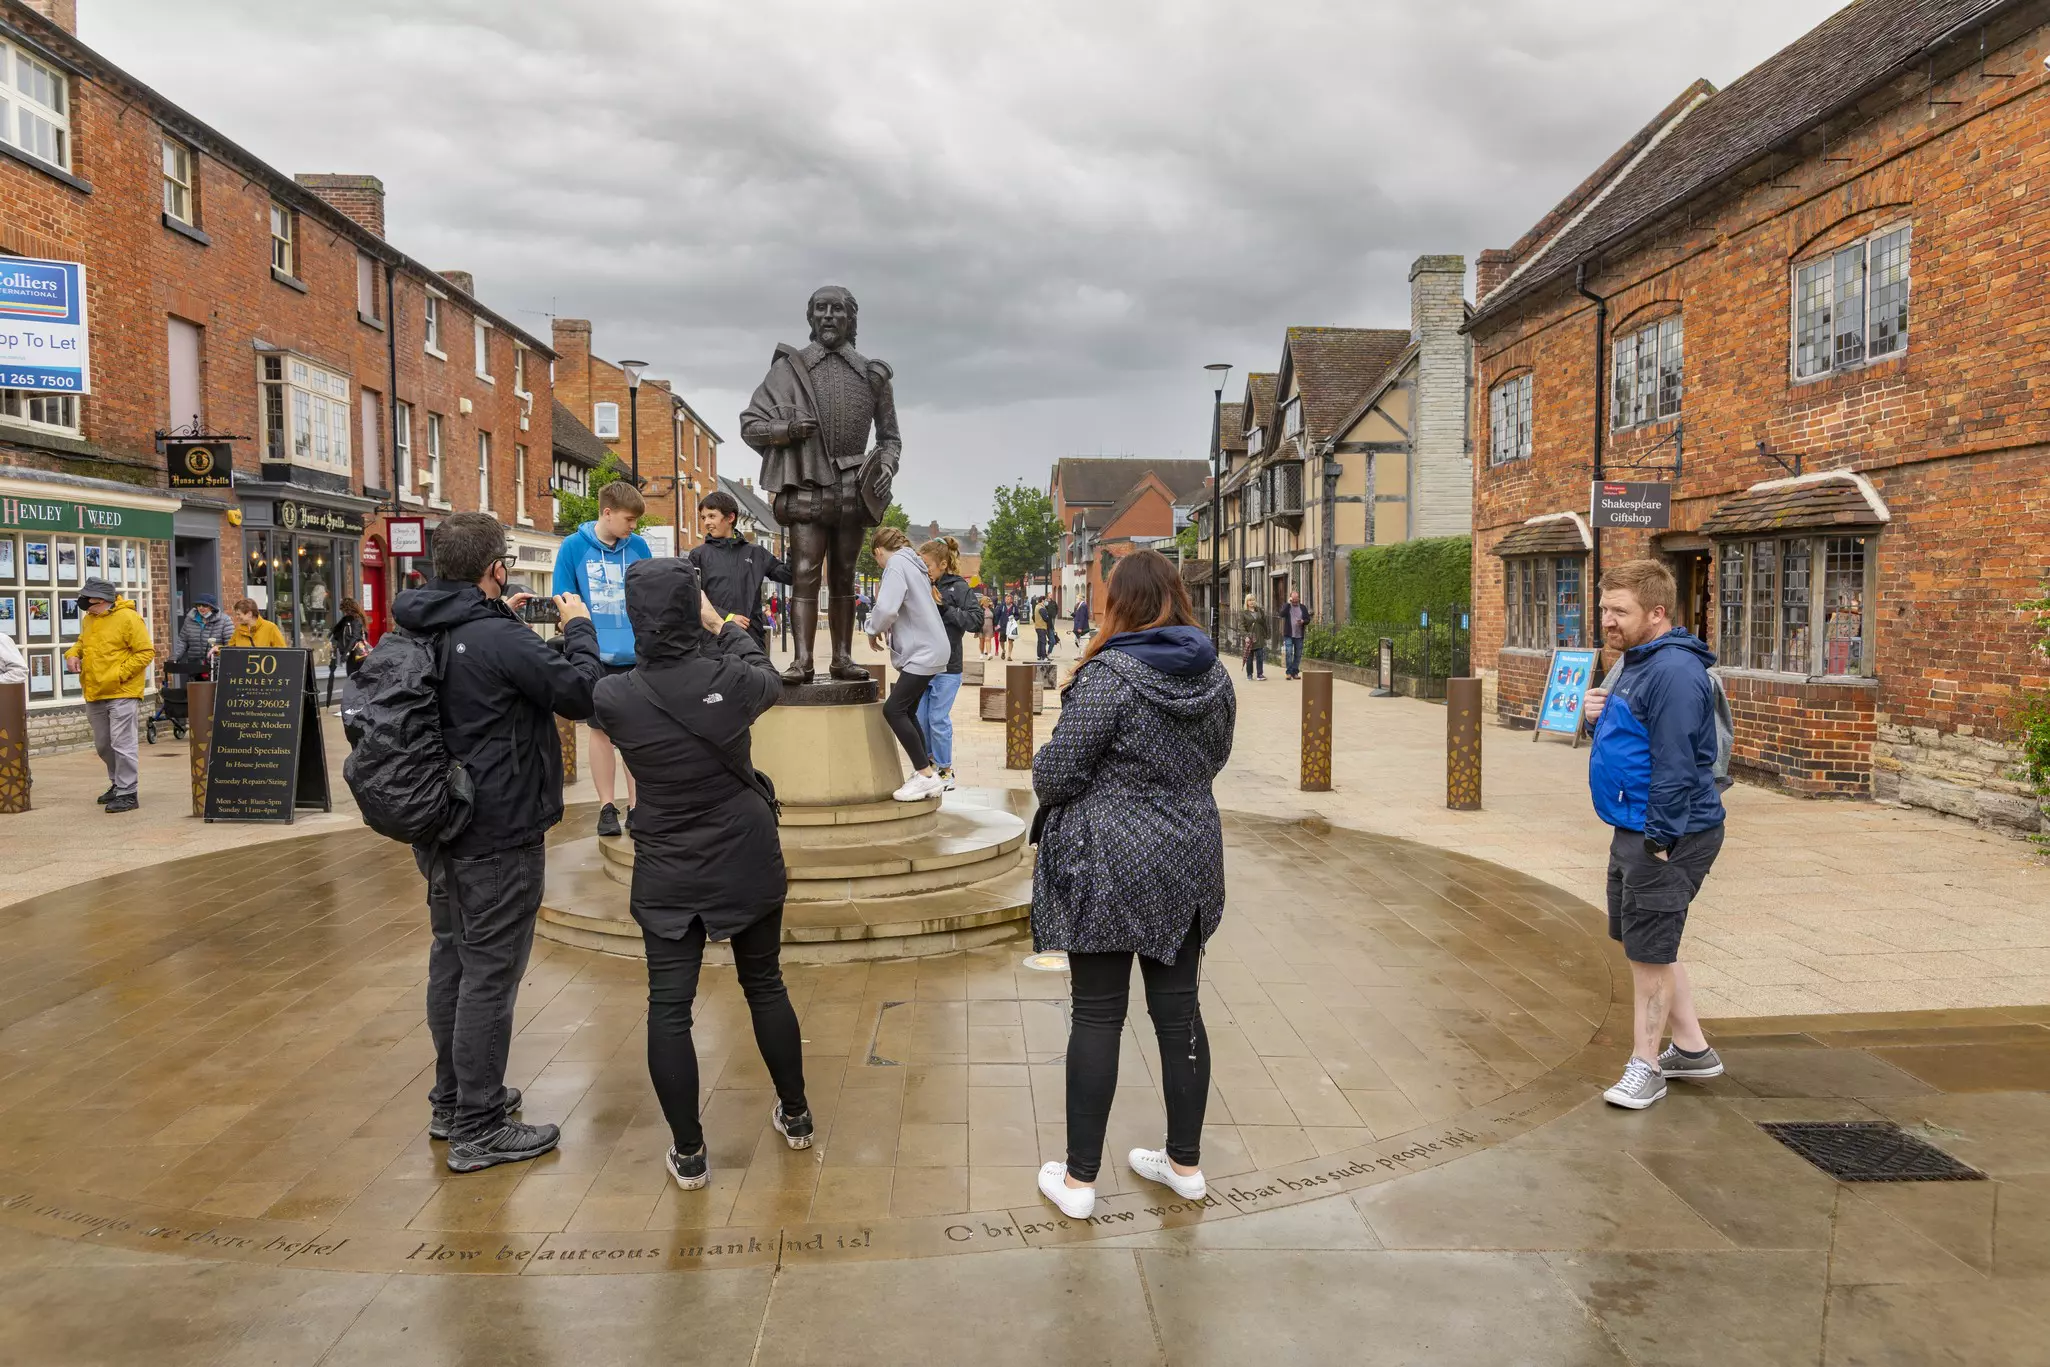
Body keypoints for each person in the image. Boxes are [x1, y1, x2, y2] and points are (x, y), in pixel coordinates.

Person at [591, 558, 812, 1191]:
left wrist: (580, 629)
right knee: (764, 984)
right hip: (743, 848)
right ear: (693, 613)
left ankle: (689, 1153)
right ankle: (796, 1116)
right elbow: (771, 675)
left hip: (667, 860)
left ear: (635, 621)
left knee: (669, 1008)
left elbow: (580, 679)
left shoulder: (616, 697)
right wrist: (721, 627)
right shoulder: (731, 679)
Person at [392, 512, 604, 1172]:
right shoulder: (492, 636)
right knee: (491, 972)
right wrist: (579, 629)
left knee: (452, 958)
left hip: (439, 823)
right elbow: (581, 692)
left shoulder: (425, 622)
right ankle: (480, 1126)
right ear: (497, 567)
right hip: (497, 826)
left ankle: (452, 1100)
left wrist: (501, 619)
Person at [1031, 549, 1235, 1218]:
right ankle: (1184, 1164)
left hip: (1110, 859)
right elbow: (1218, 756)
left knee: (1097, 1012)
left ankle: (1081, 1181)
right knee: (1178, 1011)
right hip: (1187, 852)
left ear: (1122, 603)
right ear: (1175, 597)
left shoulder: (1111, 675)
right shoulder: (1215, 675)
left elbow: (1056, 774)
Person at [1582, 559, 1729, 1111]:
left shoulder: (1671, 671)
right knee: (1649, 946)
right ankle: (1692, 1049)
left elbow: (1675, 762)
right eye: (1604, 608)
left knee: (1648, 952)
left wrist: (1660, 839)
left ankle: (1646, 1066)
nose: (1608, 621)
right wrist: (1598, 716)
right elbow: (1636, 740)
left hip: (1665, 833)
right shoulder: (1639, 663)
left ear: (1657, 612)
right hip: (1638, 826)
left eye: (1620, 611)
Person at [553, 480, 651, 838]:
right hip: (597, 657)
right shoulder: (573, 547)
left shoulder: (638, 547)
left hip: (638, 656)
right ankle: (606, 806)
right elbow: (564, 600)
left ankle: (638, 807)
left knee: (637, 734)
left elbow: (652, 596)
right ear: (607, 513)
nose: (633, 527)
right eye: (628, 519)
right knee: (600, 732)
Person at [865, 524, 949, 801]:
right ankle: (927, 773)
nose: (879, 565)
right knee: (908, 711)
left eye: (877, 560)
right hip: (932, 647)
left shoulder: (896, 565)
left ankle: (925, 775)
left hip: (923, 651)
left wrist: (871, 627)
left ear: (879, 551)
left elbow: (887, 607)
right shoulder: (914, 563)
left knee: (893, 709)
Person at [65, 576, 154, 814]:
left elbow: (145, 652)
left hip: (122, 690)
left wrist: (117, 675)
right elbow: (82, 644)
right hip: (95, 690)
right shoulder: (90, 619)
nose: (83, 602)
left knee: (122, 743)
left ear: (101, 599)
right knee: (104, 744)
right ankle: (117, 783)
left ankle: (128, 792)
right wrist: (72, 654)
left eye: (87, 598)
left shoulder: (129, 618)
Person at [689, 489, 793, 651]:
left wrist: (795, 541)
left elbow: (789, 575)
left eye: (712, 516)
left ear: (730, 517)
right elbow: (694, 598)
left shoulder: (756, 553)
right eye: (703, 517)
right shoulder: (698, 555)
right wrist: (727, 618)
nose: (706, 522)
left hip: (751, 641)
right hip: (713, 644)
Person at [919, 537, 981, 791]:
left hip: (947, 667)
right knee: (919, 718)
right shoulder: (920, 584)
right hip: (920, 665)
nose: (924, 571)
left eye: (928, 566)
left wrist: (945, 609)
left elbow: (976, 620)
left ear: (943, 564)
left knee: (937, 718)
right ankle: (928, 768)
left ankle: (946, 771)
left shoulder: (958, 588)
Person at [172, 594, 232, 680]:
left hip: (216, 666)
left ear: (212, 607)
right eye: (198, 605)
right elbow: (183, 641)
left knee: (213, 692)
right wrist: (175, 657)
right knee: (196, 691)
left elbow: (230, 644)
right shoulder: (189, 619)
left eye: (205, 605)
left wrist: (218, 651)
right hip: (195, 666)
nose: (201, 608)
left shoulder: (225, 620)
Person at [327, 597, 370, 706]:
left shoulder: (356, 620)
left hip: (357, 655)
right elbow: (337, 632)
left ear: (350, 609)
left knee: (355, 680)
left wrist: (346, 653)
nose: (344, 613)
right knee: (352, 679)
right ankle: (355, 704)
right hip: (351, 655)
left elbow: (355, 637)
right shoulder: (346, 620)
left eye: (345, 610)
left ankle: (358, 704)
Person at [1278, 590, 1310, 680]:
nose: (1295, 602)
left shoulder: (1303, 607)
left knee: (1298, 654)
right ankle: (1288, 672)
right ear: (1291, 599)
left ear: (1299, 598)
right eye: (1293, 600)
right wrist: (1288, 604)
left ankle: (1295, 672)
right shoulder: (1287, 607)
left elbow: (1308, 619)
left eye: (1297, 600)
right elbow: (1281, 614)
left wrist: (1303, 621)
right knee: (1288, 653)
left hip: (1299, 635)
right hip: (1289, 634)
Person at [1238, 594, 1268, 681]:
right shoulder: (1244, 613)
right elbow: (1241, 626)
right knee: (1249, 657)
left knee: (1260, 656)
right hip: (1250, 638)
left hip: (1259, 637)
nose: (1251, 602)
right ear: (1246, 602)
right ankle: (1249, 674)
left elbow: (1264, 623)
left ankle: (1260, 674)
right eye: (1249, 600)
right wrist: (1246, 636)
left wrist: (1266, 634)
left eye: (1253, 600)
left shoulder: (1259, 611)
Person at [1034, 593, 1058, 660]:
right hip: (1042, 627)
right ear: (1042, 600)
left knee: (1040, 641)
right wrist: (1048, 617)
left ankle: (1040, 655)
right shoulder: (1041, 608)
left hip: (1038, 626)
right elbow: (1046, 618)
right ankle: (1044, 656)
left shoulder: (1037, 606)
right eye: (1045, 601)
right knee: (1043, 642)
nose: (1046, 602)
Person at [978, 594, 995, 659]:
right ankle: (981, 653)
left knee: (988, 639)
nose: (988, 602)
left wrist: (995, 625)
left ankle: (989, 654)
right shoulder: (980, 609)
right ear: (983, 602)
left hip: (990, 626)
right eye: (987, 601)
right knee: (982, 641)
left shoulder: (991, 609)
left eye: (989, 601)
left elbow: (994, 617)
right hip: (981, 627)